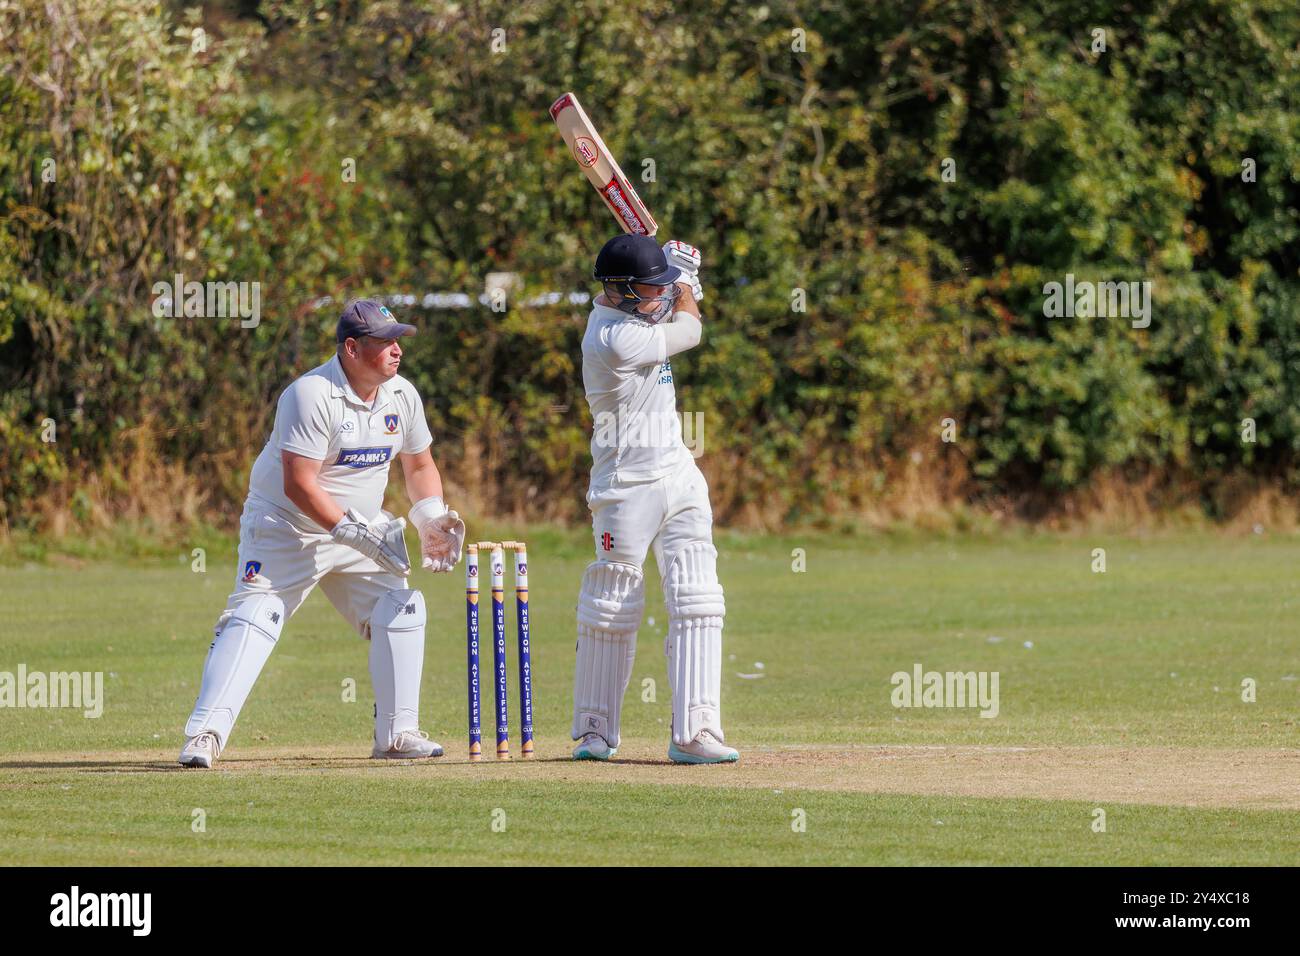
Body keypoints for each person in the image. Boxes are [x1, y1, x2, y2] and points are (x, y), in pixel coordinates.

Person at [178, 299, 465, 768]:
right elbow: (299, 483)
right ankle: (204, 734)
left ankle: (397, 734)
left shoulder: (403, 395)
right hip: (287, 527)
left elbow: (419, 464)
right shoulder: (310, 394)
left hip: (359, 530)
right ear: (352, 348)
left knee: (403, 607)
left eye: (399, 341)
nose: (396, 351)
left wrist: (431, 517)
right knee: (257, 614)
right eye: (384, 342)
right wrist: (349, 530)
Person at [571, 235, 738, 764]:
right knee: (613, 604)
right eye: (650, 287)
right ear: (617, 291)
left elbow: (674, 312)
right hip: (626, 485)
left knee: (698, 598)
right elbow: (690, 329)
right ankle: (595, 731)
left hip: (677, 471)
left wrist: (674, 279)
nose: (659, 295)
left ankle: (696, 731)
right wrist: (686, 282)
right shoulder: (614, 337)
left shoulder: (637, 315)